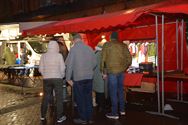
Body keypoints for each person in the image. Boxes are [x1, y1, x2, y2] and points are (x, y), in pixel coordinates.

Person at [65, 33, 97, 124]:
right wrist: (89, 69)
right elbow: (95, 63)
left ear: (74, 40)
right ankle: (89, 118)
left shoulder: (73, 49)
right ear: (81, 39)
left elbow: (69, 65)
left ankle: (83, 118)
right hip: (89, 77)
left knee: (80, 99)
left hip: (78, 78)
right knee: (88, 98)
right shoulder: (89, 48)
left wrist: (68, 78)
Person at [101, 31, 132, 119]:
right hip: (121, 72)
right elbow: (129, 59)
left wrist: (103, 72)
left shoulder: (107, 45)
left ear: (110, 37)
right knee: (120, 91)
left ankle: (114, 113)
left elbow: (103, 59)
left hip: (112, 72)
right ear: (117, 38)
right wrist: (124, 67)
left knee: (113, 92)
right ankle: (122, 110)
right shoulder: (123, 45)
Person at [39, 40, 66, 123]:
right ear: (56, 47)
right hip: (57, 78)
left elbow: (40, 69)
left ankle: (43, 116)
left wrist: (46, 74)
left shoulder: (43, 56)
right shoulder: (59, 56)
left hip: (47, 79)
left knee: (46, 97)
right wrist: (61, 76)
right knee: (59, 98)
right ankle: (59, 117)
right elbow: (63, 68)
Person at [93, 43, 105, 112]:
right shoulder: (101, 54)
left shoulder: (94, 52)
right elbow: (103, 64)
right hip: (100, 74)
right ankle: (101, 106)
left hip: (94, 74)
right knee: (101, 90)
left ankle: (97, 103)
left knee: (96, 90)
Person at [56, 36, 69, 102]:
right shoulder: (63, 47)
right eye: (61, 39)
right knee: (63, 83)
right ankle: (64, 96)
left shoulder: (60, 47)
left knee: (62, 83)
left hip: (61, 67)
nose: (63, 40)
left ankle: (63, 96)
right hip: (63, 66)